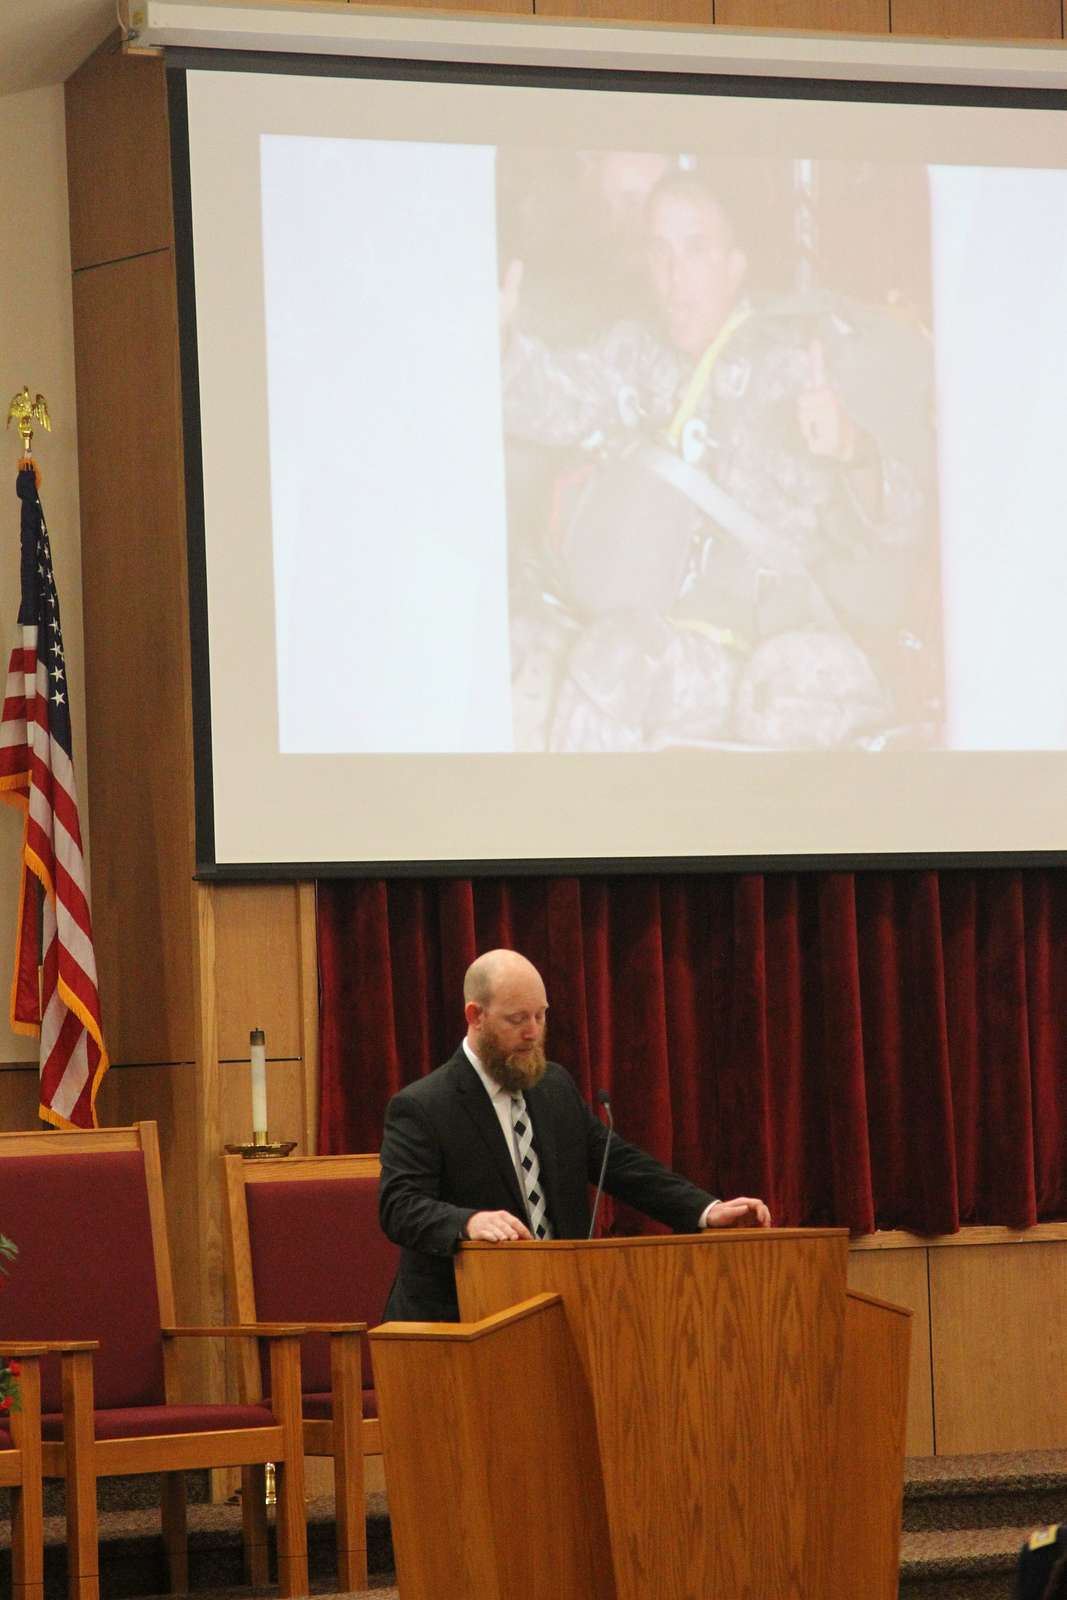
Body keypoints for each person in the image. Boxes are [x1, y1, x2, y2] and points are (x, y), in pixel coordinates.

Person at [502, 168, 938, 753]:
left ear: (735, 268)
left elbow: (904, 527)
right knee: (535, 650)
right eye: (659, 252)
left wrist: (850, 449)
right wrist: (498, 343)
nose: (673, 276)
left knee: (619, 660)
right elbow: (553, 395)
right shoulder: (636, 353)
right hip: (651, 628)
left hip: (759, 647)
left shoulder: (794, 366)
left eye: (696, 250)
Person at [378, 947, 771, 1321]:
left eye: (541, 1016)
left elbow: (618, 1164)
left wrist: (706, 1209)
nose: (533, 1033)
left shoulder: (554, 1087)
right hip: (459, 1318)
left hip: (556, 1305)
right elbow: (400, 1205)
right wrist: (468, 1222)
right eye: (517, 1020)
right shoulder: (423, 1106)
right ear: (475, 1015)